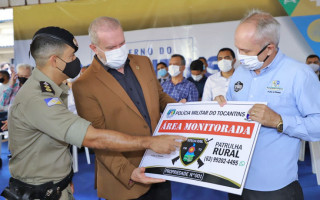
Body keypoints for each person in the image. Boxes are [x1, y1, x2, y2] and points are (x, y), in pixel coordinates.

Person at [1, 26, 184, 200]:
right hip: (39, 192)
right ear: (55, 60)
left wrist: (64, 180)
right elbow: (94, 137)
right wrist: (150, 142)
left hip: (56, 187)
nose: (76, 60)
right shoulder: (39, 98)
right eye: (71, 56)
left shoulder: (55, 90)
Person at [214, 10, 320, 200]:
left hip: (275, 187)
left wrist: (279, 121)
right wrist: (221, 106)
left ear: (269, 48)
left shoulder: (299, 74)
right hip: (236, 180)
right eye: (237, 48)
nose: (239, 56)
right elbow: (233, 115)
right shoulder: (240, 72)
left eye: (245, 51)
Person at [72, 17, 180, 200]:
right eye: (110, 48)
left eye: (121, 43)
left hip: (160, 164)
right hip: (124, 180)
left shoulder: (143, 62)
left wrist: (183, 110)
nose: (119, 50)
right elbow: (97, 139)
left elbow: (159, 96)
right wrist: (129, 172)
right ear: (94, 48)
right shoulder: (84, 85)